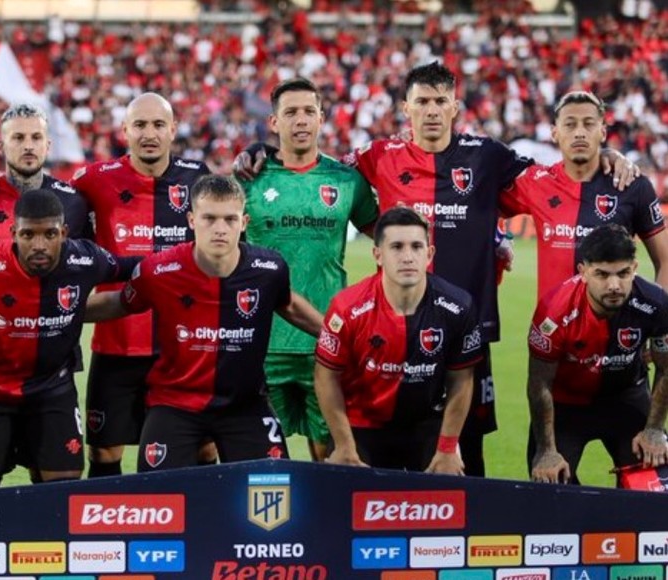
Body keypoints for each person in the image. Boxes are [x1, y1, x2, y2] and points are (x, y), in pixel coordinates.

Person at [235, 61, 637, 477]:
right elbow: (315, 166)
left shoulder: (487, 155)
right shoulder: (378, 156)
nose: (431, 110)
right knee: (386, 445)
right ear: (406, 109)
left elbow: (557, 177)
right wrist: (263, 150)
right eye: (422, 101)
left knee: (469, 454)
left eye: (440, 101)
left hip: (467, 329)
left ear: (454, 107)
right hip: (392, 329)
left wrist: (602, 155)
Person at [85, 175, 323, 471]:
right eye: (209, 218)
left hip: (245, 405)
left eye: (230, 219)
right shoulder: (159, 270)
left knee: (273, 486)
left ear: (244, 222)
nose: (220, 229)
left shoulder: (269, 269)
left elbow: (288, 305)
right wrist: (56, 314)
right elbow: (120, 302)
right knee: (157, 492)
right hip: (174, 403)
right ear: (191, 220)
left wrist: (337, 337)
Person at [0, 189, 135, 490]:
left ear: (64, 233)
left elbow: (134, 267)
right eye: (28, 234)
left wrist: (186, 264)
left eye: (50, 234)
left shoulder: (85, 258)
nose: (39, 245)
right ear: (13, 233)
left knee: (62, 491)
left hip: (52, 391)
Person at [71, 93, 215, 477]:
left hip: (183, 346)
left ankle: (198, 516)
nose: (149, 134)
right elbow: (47, 209)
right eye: (140, 125)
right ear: (125, 131)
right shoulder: (93, 180)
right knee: (104, 452)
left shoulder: (198, 177)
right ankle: (111, 519)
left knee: (201, 445)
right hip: (117, 343)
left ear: (173, 130)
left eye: (158, 125)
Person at [237, 78, 377, 462]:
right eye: (290, 112)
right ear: (274, 122)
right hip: (261, 344)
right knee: (261, 466)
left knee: (331, 460)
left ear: (321, 118)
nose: (300, 120)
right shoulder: (248, 179)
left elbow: (387, 237)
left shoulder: (346, 180)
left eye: (308, 112)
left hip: (327, 341)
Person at [314, 207, 481, 473]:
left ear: (429, 254)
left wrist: (448, 448)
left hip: (425, 423)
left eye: (416, 246)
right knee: (348, 490)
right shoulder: (347, 308)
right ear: (378, 255)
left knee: (449, 485)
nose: (407, 257)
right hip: (362, 423)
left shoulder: (458, 307)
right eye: (396, 247)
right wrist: (344, 445)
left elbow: (461, 379)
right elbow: (326, 377)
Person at [527, 224, 668, 485]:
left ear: (635, 268)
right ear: (583, 272)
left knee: (655, 486)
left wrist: (654, 429)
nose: (614, 285)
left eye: (623, 273)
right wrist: (546, 450)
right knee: (551, 488)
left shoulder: (655, 303)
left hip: (627, 398)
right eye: (601, 274)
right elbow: (539, 383)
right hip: (567, 405)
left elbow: (666, 367)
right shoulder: (553, 313)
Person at [500, 91, 668, 299]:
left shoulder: (632, 185)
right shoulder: (536, 182)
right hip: (552, 320)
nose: (579, 133)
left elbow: (665, 261)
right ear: (554, 133)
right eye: (570, 124)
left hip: (615, 320)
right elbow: (480, 204)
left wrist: (661, 315)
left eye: (588, 124)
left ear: (603, 132)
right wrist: (497, 239)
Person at [0, 104, 91, 244]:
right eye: (18, 137)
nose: (28, 146)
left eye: (36, 137)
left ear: (47, 146)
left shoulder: (73, 202)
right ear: (1, 147)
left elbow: (90, 257)